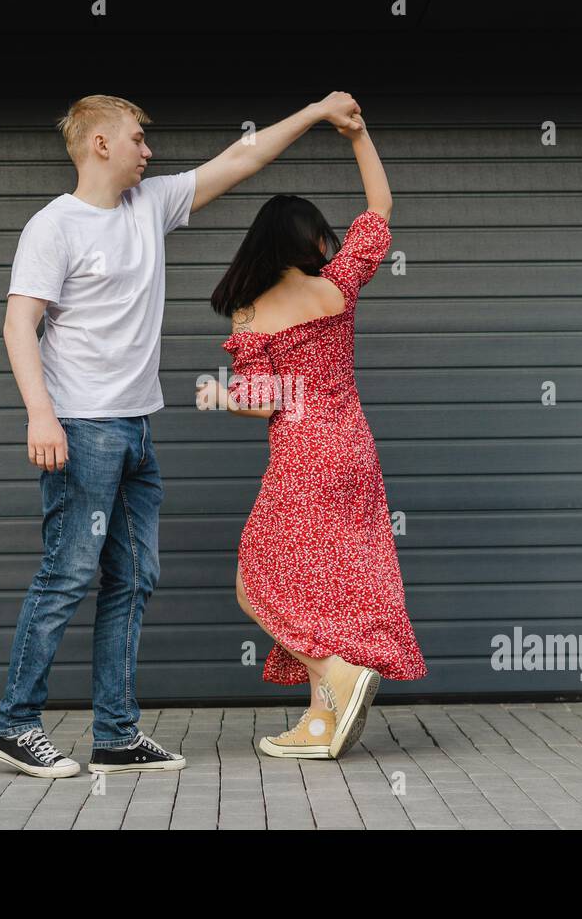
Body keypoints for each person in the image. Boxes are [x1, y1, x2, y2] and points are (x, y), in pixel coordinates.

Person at [0, 92, 367, 778]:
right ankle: (16, 725)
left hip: (136, 429)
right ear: (100, 143)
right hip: (80, 428)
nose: (149, 149)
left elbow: (244, 157)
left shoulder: (151, 205)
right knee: (68, 573)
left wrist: (315, 113)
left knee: (132, 581)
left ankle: (115, 734)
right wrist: (39, 413)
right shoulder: (54, 227)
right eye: (137, 138)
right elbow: (21, 324)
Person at [196, 112, 427, 760]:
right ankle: (320, 726)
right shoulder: (337, 287)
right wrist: (357, 136)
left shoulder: (252, 310)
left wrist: (221, 394)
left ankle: (336, 670)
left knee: (258, 578)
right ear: (311, 243)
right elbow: (380, 205)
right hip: (355, 450)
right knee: (326, 584)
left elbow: (258, 399)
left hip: (303, 455)